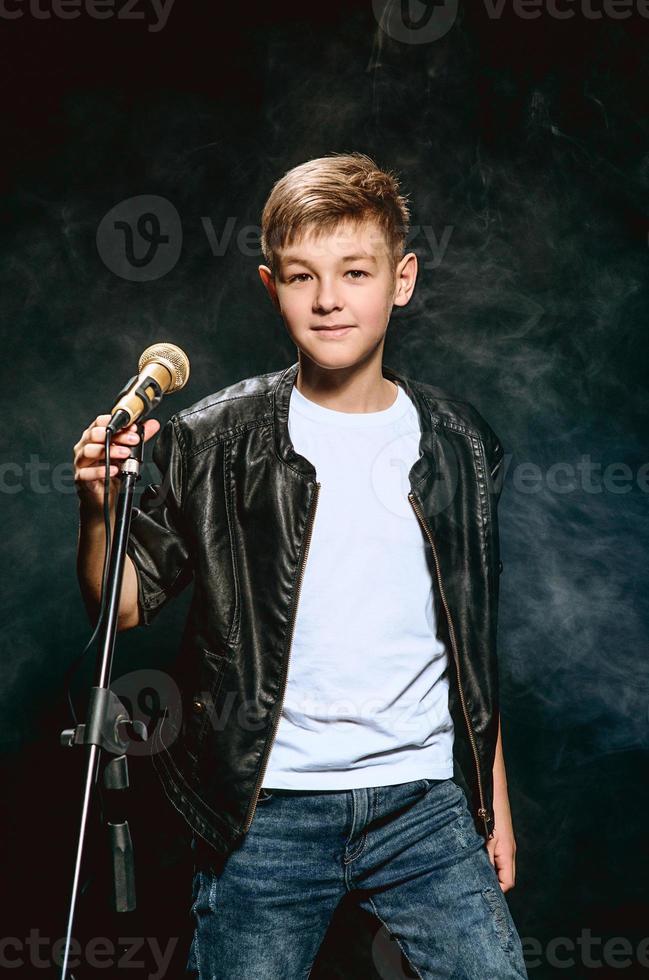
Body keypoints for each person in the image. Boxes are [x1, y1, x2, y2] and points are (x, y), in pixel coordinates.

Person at [74, 152, 528, 979]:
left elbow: (468, 637)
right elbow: (121, 608)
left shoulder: (460, 444)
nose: (327, 299)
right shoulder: (212, 441)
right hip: (266, 811)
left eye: (355, 271)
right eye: (300, 276)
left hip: (423, 808)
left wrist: (488, 802)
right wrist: (99, 506)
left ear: (402, 279)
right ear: (268, 284)